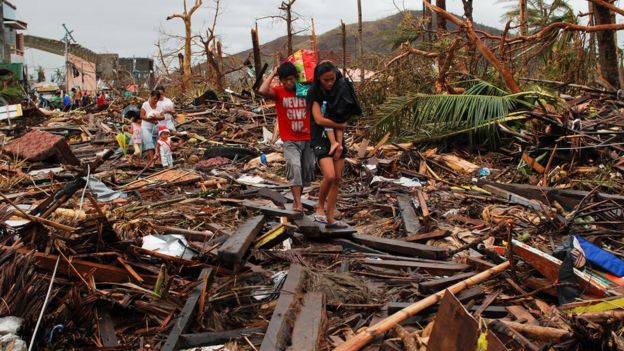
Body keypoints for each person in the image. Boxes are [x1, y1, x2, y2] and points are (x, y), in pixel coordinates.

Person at [306, 61, 361, 228]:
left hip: (337, 138)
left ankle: (331, 218)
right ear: (318, 79)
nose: (330, 82)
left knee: (337, 179)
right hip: (320, 136)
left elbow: (342, 115)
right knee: (329, 175)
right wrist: (341, 126)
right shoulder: (314, 92)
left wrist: (339, 142)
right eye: (325, 80)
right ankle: (319, 208)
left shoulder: (340, 88)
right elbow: (319, 119)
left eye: (332, 78)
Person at [258, 62, 314, 212]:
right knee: (294, 167)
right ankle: (297, 203)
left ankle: (298, 197)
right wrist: (273, 73)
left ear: (296, 77)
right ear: (281, 80)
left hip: (308, 138)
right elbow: (262, 90)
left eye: (291, 79)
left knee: (306, 170)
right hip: (290, 139)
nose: (289, 83)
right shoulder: (279, 92)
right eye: (285, 80)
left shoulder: (306, 90)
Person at [140, 90, 165, 167]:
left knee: (155, 144)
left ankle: (156, 160)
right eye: (154, 98)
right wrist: (151, 120)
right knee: (149, 143)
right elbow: (142, 116)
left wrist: (156, 118)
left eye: (156, 99)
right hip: (145, 127)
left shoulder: (159, 106)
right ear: (150, 96)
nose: (155, 101)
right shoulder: (145, 104)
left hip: (155, 128)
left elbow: (162, 116)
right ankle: (151, 162)